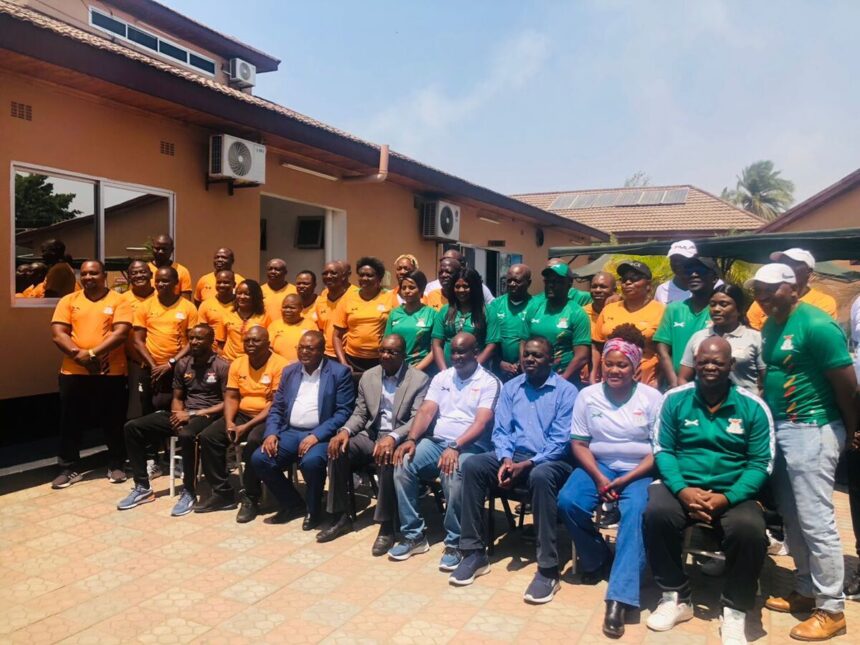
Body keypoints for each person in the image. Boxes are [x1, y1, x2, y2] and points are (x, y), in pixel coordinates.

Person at [644, 337, 774, 643]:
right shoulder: (675, 399)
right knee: (656, 512)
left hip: (732, 490)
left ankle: (735, 610)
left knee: (749, 529)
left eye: (717, 362)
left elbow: (761, 463)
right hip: (683, 485)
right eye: (703, 361)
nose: (710, 367)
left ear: (731, 365)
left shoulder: (753, 406)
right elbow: (663, 450)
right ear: (695, 363)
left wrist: (727, 498)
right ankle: (675, 597)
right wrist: (683, 490)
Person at [754, 263, 856, 640]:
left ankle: (832, 608)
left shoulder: (817, 325)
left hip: (813, 428)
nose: (763, 298)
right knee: (793, 517)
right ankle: (805, 588)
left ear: (793, 288)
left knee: (817, 520)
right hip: (782, 429)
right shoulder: (772, 325)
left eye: (770, 290)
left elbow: (847, 385)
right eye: (758, 291)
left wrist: (854, 429)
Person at [450, 336, 576, 603]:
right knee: (473, 465)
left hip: (551, 460)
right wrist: (507, 459)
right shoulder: (511, 388)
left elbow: (561, 441)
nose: (530, 359)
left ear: (552, 360)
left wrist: (528, 464)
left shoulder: (566, 391)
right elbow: (501, 430)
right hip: (513, 455)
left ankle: (548, 569)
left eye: (538, 355)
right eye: (526, 354)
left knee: (541, 476)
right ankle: (473, 552)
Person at [556, 325, 661, 635]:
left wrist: (626, 478)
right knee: (568, 501)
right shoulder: (587, 396)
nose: (614, 370)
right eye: (609, 364)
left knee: (635, 513)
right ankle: (597, 556)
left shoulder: (652, 398)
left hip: (638, 470)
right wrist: (601, 477)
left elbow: (658, 451)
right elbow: (578, 443)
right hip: (597, 466)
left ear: (635, 368)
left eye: (622, 364)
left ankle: (619, 598)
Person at [389, 333, 500, 569]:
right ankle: (414, 535)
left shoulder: (489, 382)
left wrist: (456, 446)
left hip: (472, 447)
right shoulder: (442, 377)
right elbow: (427, 411)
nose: (457, 357)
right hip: (437, 442)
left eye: (463, 352)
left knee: (453, 471)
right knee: (403, 462)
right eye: (454, 352)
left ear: (476, 353)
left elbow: (481, 423)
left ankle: (456, 541)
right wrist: (411, 439)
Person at [317, 334, 430, 553]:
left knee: (388, 456)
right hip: (372, 434)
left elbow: (418, 418)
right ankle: (341, 517)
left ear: (403, 356)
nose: (385, 355)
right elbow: (360, 413)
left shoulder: (419, 379)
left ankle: (386, 526)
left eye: (392, 352)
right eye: (382, 351)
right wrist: (345, 431)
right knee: (338, 449)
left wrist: (393, 437)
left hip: (400, 437)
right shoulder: (369, 377)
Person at [118, 324, 228, 515]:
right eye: (191, 338)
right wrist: (178, 415)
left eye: (199, 338)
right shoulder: (183, 364)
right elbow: (177, 397)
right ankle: (142, 487)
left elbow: (228, 403)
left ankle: (189, 491)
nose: (194, 342)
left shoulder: (222, 366)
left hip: (208, 415)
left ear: (211, 341)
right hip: (184, 414)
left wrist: (192, 415)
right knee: (132, 427)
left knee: (187, 435)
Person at [251, 331, 354, 528]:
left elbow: (343, 412)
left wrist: (317, 435)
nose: (304, 352)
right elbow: (278, 407)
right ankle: (293, 504)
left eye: (310, 348)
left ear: (322, 351)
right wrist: (271, 432)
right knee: (260, 458)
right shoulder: (290, 371)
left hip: (321, 434)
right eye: (301, 347)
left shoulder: (338, 373)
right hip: (290, 432)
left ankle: (314, 510)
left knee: (312, 462)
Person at [50, 260, 132, 489]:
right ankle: (68, 468)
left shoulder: (119, 300)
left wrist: (93, 354)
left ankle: (116, 463)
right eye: (84, 274)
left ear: (104, 275)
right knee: (70, 421)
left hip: (111, 372)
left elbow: (121, 333)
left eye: (93, 273)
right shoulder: (69, 300)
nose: (88, 277)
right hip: (73, 371)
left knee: (113, 420)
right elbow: (58, 333)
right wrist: (81, 357)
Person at [196, 326, 288, 521]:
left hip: (269, 417)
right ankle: (222, 493)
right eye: (247, 341)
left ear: (268, 343)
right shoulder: (238, 363)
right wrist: (230, 422)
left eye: (256, 341)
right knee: (209, 436)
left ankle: (250, 497)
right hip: (241, 414)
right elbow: (231, 396)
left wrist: (246, 427)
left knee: (255, 441)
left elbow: (275, 404)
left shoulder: (280, 365)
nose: (251, 344)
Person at [133, 266, 198, 412]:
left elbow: (192, 341)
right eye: (158, 281)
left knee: (174, 409)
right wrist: (154, 366)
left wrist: (171, 363)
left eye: (165, 281)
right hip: (150, 368)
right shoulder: (144, 306)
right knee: (147, 408)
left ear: (176, 282)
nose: (160, 284)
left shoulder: (188, 307)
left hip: (177, 369)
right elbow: (138, 341)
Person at [678, 284, 764, 393]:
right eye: (712, 304)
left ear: (739, 309)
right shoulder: (698, 337)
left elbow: (765, 382)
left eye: (723, 304)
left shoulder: (755, 338)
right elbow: (683, 378)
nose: (716, 309)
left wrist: (753, 405)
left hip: (743, 407)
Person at [592, 261, 664, 387]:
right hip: (609, 379)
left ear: (648, 285)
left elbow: (667, 351)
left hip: (646, 381)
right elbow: (596, 345)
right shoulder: (609, 308)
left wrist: (659, 379)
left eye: (634, 278)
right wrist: (593, 374)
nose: (628, 283)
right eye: (624, 279)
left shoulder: (661, 311)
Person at [655, 257, 719, 389]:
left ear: (714, 278)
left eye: (700, 270)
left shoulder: (719, 311)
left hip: (712, 385)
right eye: (689, 270)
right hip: (676, 384)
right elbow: (662, 350)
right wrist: (674, 382)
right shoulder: (674, 309)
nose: (693, 274)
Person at [522, 263, 591, 386]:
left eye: (556, 282)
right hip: (533, 379)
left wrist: (562, 380)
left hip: (564, 380)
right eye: (547, 281)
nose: (550, 285)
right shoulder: (535, 308)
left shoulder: (577, 313)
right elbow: (523, 343)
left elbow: (582, 356)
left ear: (569, 283)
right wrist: (525, 372)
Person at [747, 248, 837, 330]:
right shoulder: (763, 302)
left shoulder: (824, 302)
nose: (785, 267)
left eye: (792, 264)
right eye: (782, 263)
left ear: (808, 271)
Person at [333, 257, 393, 375]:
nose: (364, 278)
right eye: (361, 275)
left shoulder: (390, 297)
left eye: (369, 275)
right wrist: (343, 362)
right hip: (352, 360)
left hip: (380, 360)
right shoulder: (348, 299)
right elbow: (336, 336)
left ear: (379, 278)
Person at [432, 268, 490, 370]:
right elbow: (437, 344)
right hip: (448, 373)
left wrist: (474, 369)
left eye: (466, 286)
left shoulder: (487, 311)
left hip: (476, 372)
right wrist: (444, 372)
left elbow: (492, 345)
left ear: (475, 287)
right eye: (457, 286)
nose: (461, 290)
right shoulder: (444, 311)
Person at [119, 260, 155, 419]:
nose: (139, 275)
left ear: (151, 274)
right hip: (133, 362)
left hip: (160, 363)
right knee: (136, 407)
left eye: (143, 272)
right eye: (134, 273)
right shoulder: (121, 300)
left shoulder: (162, 296)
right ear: (128, 277)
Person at [485, 264, 532, 381]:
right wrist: (499, 362)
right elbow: (489, 338)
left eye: (517, 281)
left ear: (529, 283)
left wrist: (520, 363)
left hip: (527, 369)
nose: (512, 284)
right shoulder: (495, 305)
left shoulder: (536, 306)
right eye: (509, 281)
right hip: (499, 369)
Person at [383, 270, 436, 372]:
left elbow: (434, 350)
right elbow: (387, 344)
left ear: (421, 290)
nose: (407, 291)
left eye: (412, 287)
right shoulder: (394, 313)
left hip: (422, 370)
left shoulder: (432, 314)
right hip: (396, 368)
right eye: (403, 288)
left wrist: (416, 370)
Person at [220, 280, 270, 362]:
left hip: (253, 362)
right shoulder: (227, 313)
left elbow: (267, 344)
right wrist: (223, 360)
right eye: (239, 293)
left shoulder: (264, 316)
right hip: (229, 361)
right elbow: (220, 342)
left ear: (255, 296)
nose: (242, 297)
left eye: (247, 294)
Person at [315, 260, 356, 359]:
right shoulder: (321, 299)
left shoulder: (356, 295)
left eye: (333, 273)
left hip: (348, 354)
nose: (328, 276)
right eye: (325, 273)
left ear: (343, 276)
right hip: (326, 354)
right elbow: (321, 329)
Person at [425, 249, 494, 305]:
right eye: (443, 260)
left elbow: (492, 306)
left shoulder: (476, 288)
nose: (444, 275)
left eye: (449, 271)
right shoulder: (431, 288)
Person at [584, 271, 617, 379]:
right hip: (585, 375)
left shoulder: (621, 312)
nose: (597, 290)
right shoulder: (582, 313)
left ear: (614, 291)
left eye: (603, 287)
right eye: (594, 287)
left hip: (614, 374)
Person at [268, 293, 318, 363]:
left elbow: (314, 349)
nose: (288, 310)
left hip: (302, 366)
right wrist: (280, 363)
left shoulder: (310, 325)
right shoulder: (274, 325)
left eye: (292, 308)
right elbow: (268, 349)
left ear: (301, 308)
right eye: (285, 307)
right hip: (278, 368)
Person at [197, 270, 236, 350]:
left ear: (234, 284)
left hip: (234, 353)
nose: (222, 285)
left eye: (226, 282)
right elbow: (202, 333)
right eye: (219, 282)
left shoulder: (240, 304)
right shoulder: (206, 305)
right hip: (212, 354)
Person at [654, 240, 698, 304]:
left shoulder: (709, 287)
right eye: (674, 260)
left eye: (682, 259)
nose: (677, 264)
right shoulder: (662, 290)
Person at [148, 234, 192, 299]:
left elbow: (185, 301)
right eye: (157, 248)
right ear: (152, 248)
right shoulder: (144, 271)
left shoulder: (182, 271)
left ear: (172, 250)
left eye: (164, 249)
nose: (160, 252)